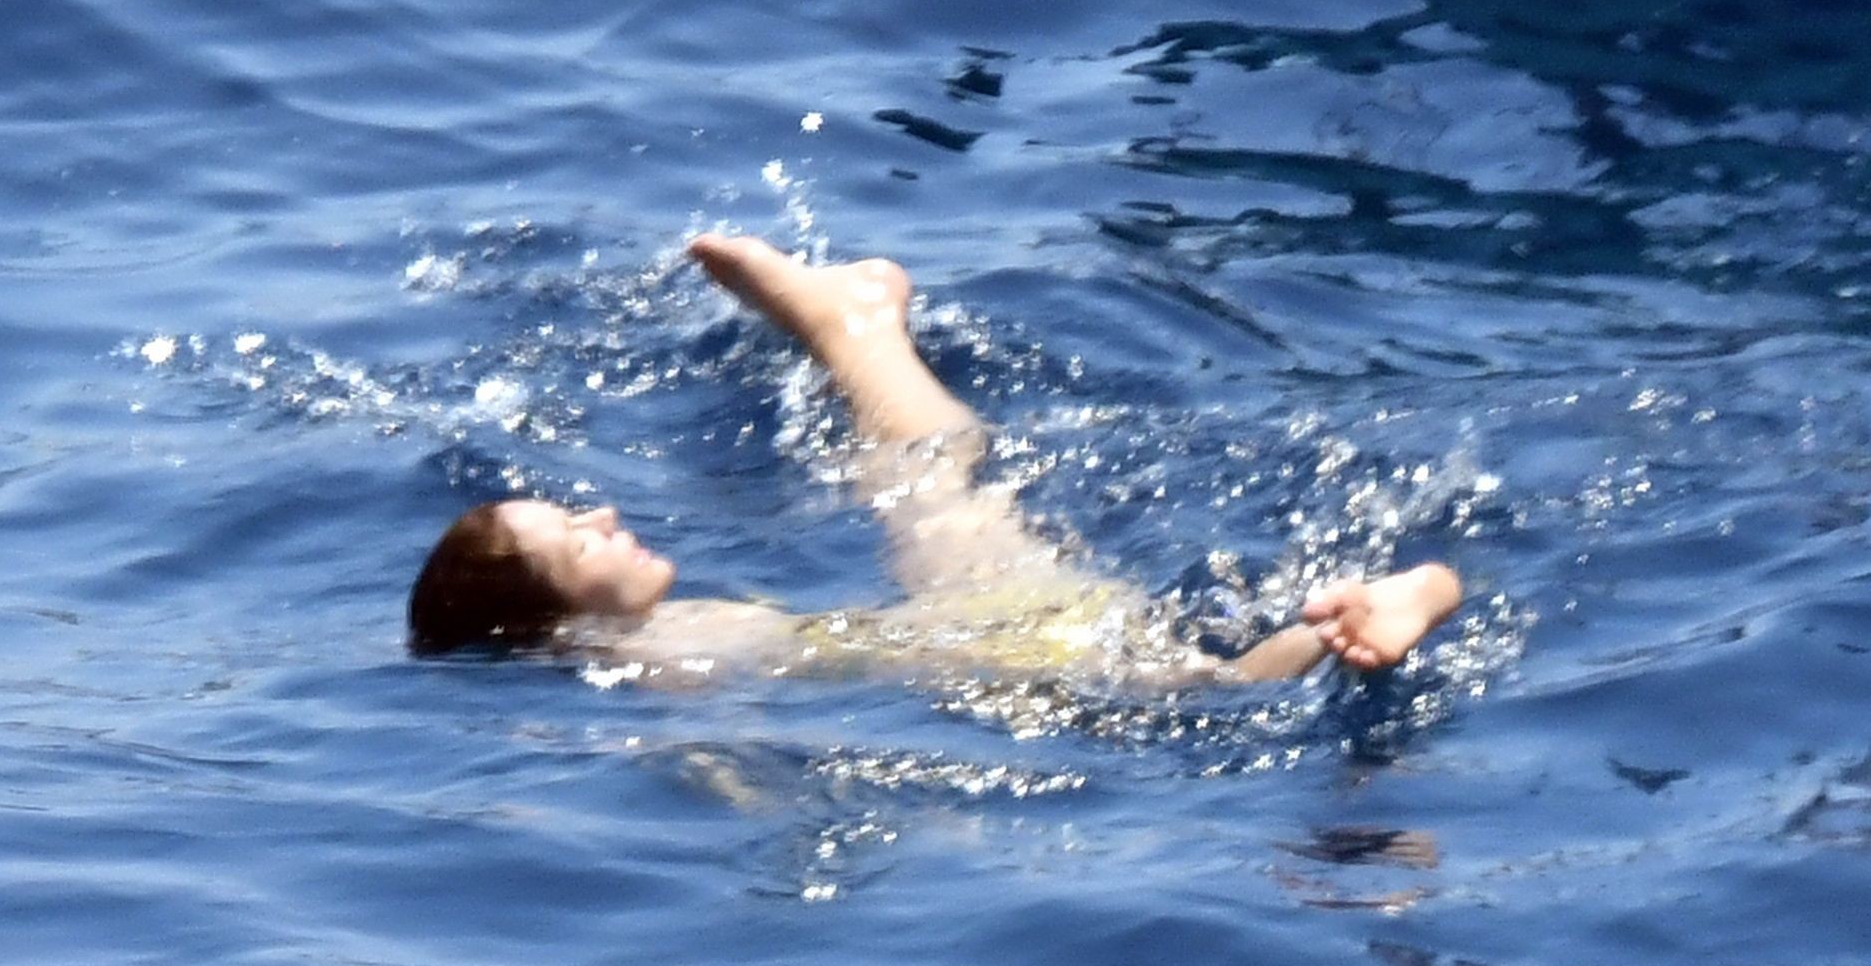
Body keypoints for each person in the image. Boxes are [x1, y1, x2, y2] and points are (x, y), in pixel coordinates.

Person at [408, 233, 1463, 686]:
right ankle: (853, 328)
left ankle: (1364, 616)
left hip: (991, 648)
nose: (599, 513)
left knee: (1204, 688)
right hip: (970, 638)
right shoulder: (622, 657)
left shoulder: (635, 657)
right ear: (548, 618)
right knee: (930, 491)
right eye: (572, 539)